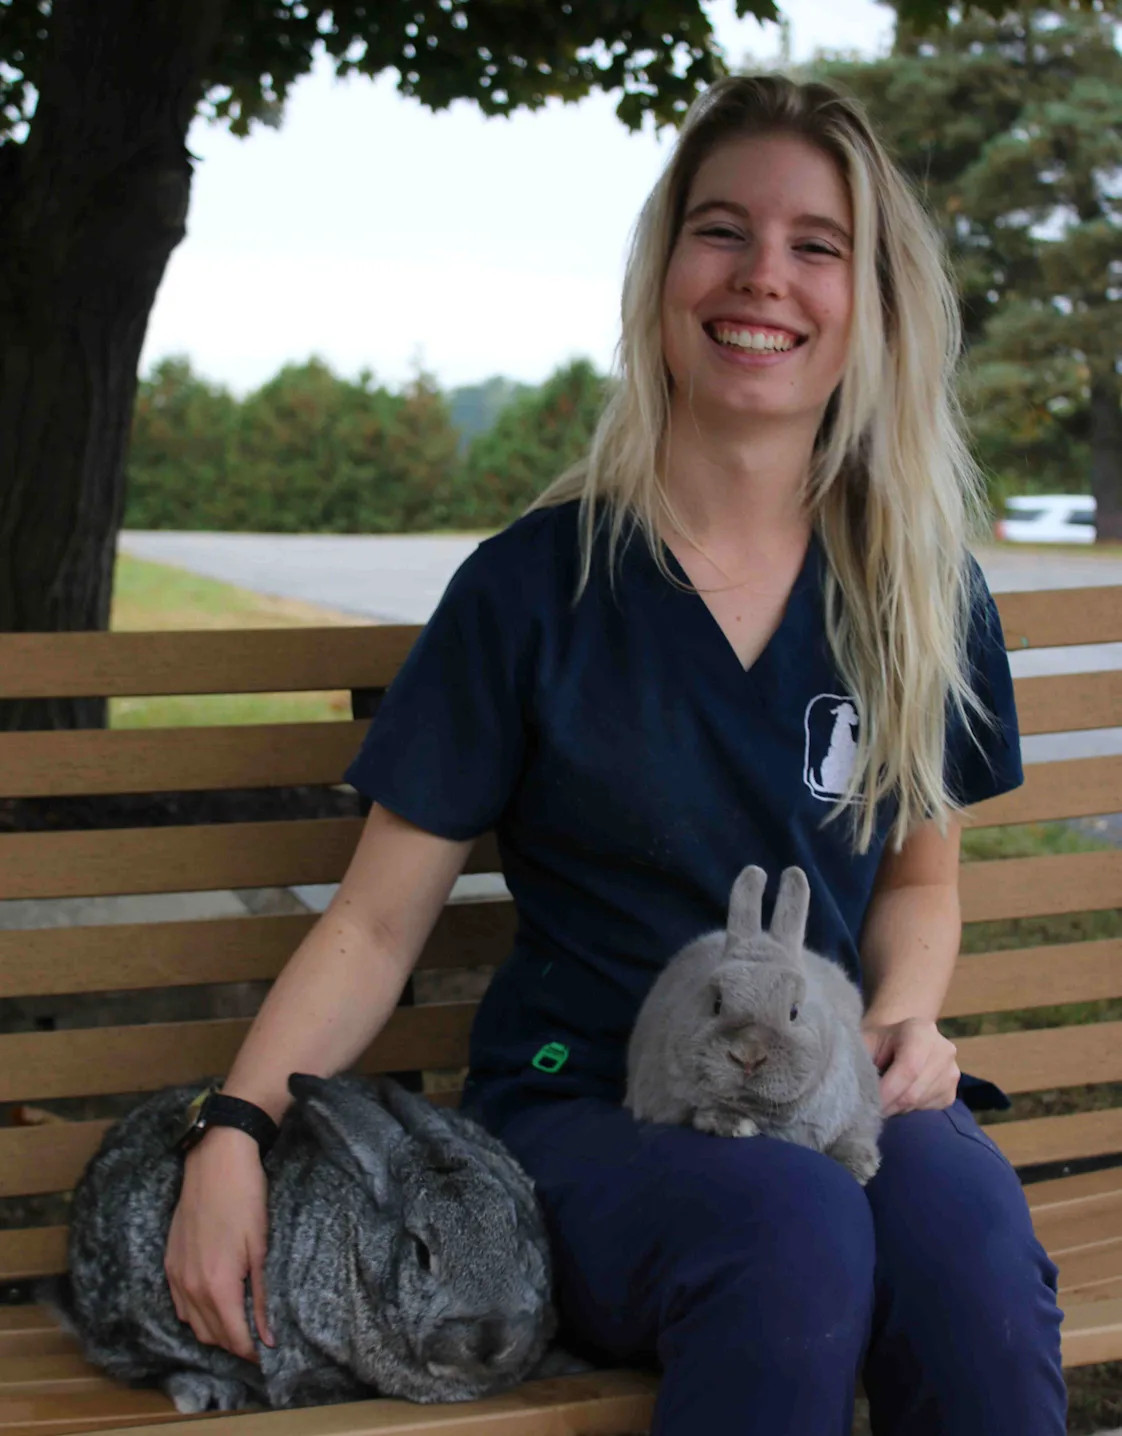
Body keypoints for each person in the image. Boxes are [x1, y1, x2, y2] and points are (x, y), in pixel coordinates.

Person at [165, 74, 1065, 1433]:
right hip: (587, 1114)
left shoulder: (914, 591)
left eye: (815, 244)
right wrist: (231, 1136)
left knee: (969, 1255)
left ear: (867, 299)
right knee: (787, 1233)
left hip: (822, 1087)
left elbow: (917, 884)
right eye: (722, 230)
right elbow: (371, 923)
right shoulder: (532, 589)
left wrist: (904, 1022)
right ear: (661, 276)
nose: (764, 274)